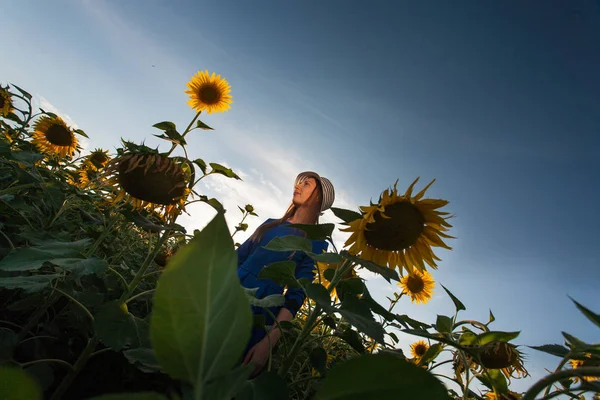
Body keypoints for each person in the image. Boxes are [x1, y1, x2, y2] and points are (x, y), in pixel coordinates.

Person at [237, 171, 335, 376]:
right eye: (299, 183)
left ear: (318, 197)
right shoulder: (271, 223)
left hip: (259, 308)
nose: (297, 186)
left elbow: (296, 295)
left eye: (306, 184)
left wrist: (268, 343)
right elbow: (236, 259)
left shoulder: (316, 242)